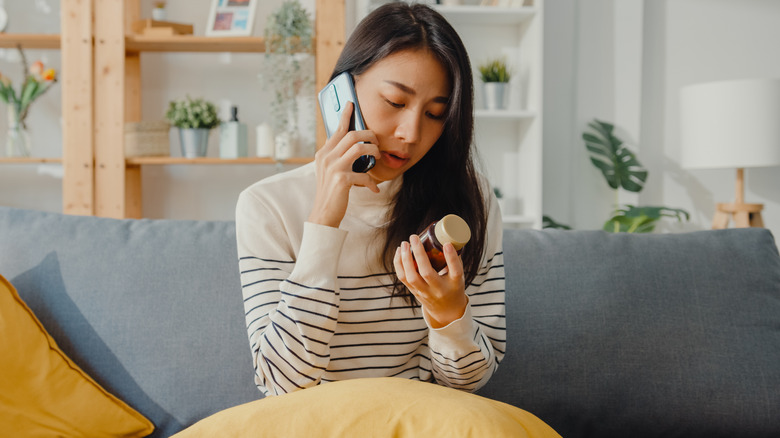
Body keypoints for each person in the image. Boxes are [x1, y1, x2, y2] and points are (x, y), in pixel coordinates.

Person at [235, 2, 505, 397]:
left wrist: (449, 313)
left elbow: (470, 382)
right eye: (395, 102)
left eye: (435, 114)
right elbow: (283, 383)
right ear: (342, 92)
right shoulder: (267, 207)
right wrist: (324, 221)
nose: (411, 133)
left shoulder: (469, 199)